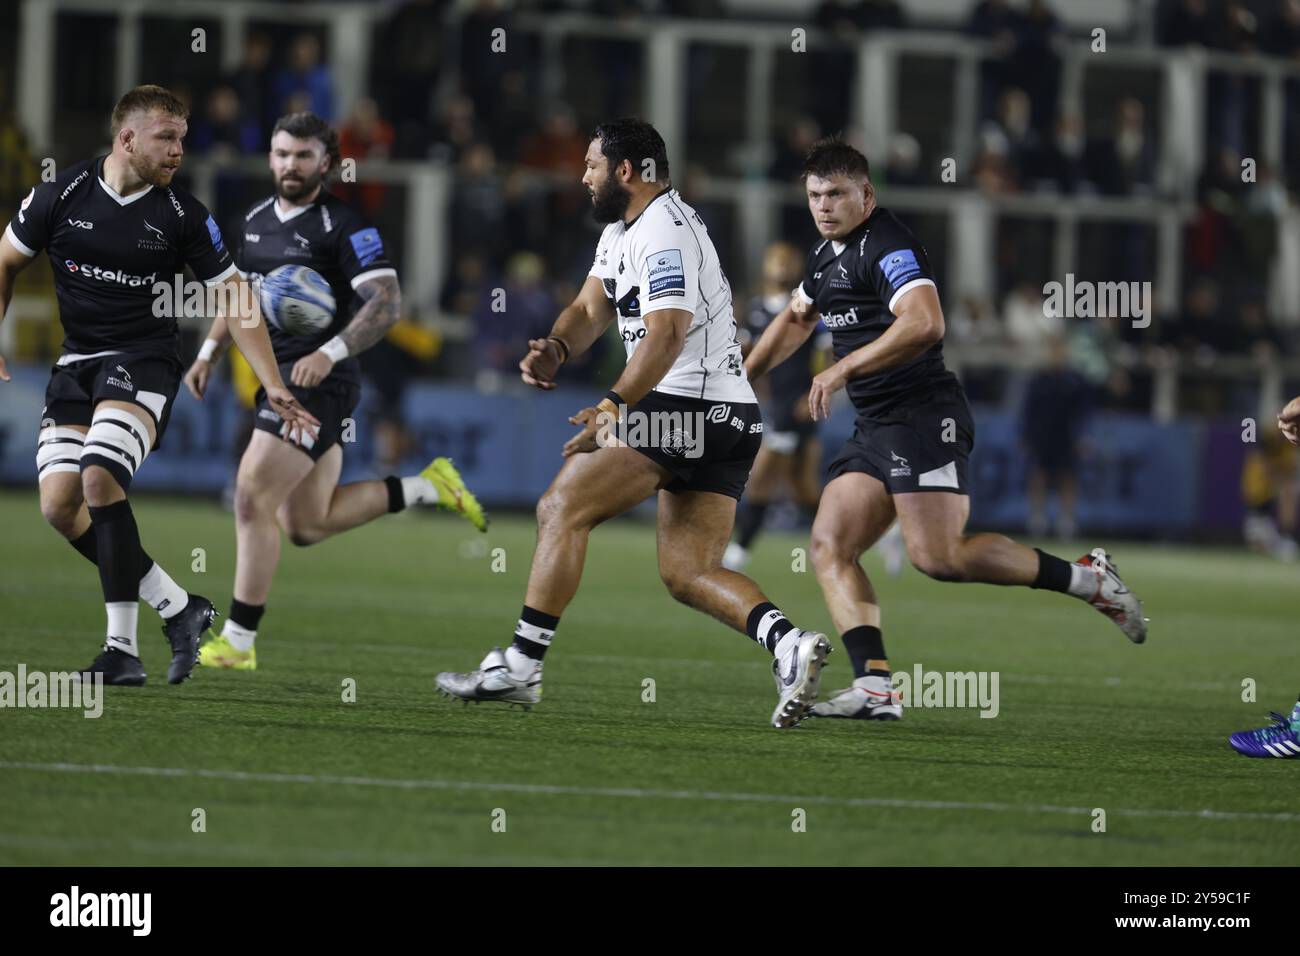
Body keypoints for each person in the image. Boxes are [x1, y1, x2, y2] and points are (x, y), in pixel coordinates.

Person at [435, 118, 830, 728]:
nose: (583, 176)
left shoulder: (665, 231)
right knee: (688, 572)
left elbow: (668, 333)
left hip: (688, 408)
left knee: (560, 507)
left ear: (625, 172)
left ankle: (520, 665)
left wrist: (615, 404)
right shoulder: (626, 230)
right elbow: (590, 307)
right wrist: (559, 348)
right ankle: (789, 644)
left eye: (592, 165)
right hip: (727, 415)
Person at [745, 137, 1146, 723]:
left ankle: (1087, 579)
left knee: (940, 558)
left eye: (836, 194)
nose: (824, 206)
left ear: (867, 194)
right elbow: (798, 316)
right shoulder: (826, 255)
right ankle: (876, 686)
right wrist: (743, 374)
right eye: (814, 195)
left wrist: (843, 368)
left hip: (923, 416)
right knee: (830, 546)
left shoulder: (888, 243)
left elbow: (926, 322)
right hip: (877, 424)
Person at [0, 85, 317, 686]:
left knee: (99, 476)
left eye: (182, 138)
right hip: (76, 367)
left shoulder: (182, 216)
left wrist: (272, 382)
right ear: (126, 139)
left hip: (144, 362)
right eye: (166, 138)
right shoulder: (60, 194)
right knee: (59, 507)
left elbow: (235, 295)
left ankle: (120, 649)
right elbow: (6, 262)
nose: (178, 150)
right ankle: (180, 607)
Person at [185, 112, 486, 672]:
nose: (289, 165)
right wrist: (208, 353)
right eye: (280, 154)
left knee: (251, 493)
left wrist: (330, 353)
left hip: (320, 385)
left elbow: (386, 304)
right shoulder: (251, 221)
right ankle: (428, 488)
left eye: (302, 156)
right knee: (306, 523)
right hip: (276, 382)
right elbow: (239, 297)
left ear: (326, 162)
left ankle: (238, 642)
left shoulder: (346, 227)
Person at [723, 241, 830, 573]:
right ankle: (855, 535)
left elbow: (826, 355)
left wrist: (817, 389)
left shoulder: (806, 306)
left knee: (762, 477)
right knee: (803, 489)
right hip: (771, 405)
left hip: (799, 405)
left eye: (789, 261)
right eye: (777, 261)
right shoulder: (754, 308)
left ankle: (737, 553)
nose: (782, 267)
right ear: (766, 265)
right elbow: (745, 355)